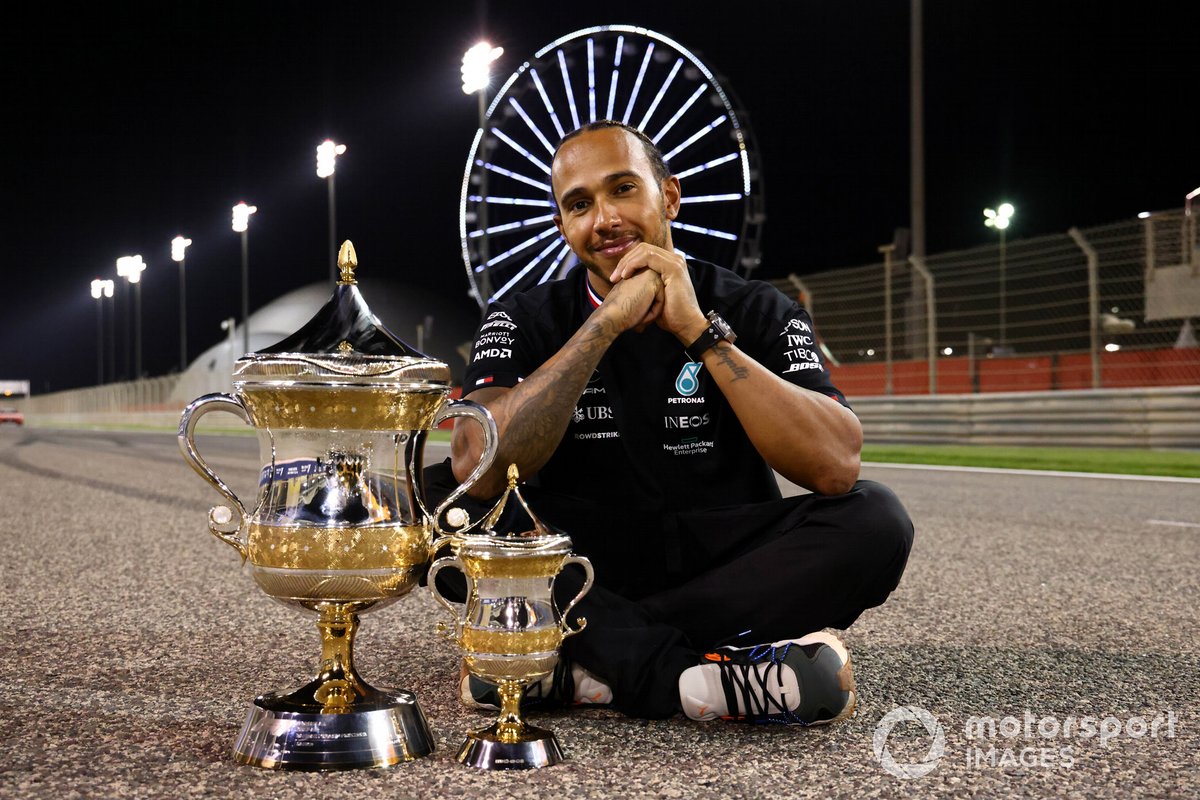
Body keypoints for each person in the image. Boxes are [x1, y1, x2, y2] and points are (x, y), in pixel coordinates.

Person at [427, 120, 913, 725]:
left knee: (876, 520)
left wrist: (698, 332)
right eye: (579, 205)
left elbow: (836, 467)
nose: (603, 218)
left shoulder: (757, 307)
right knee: (433, 502)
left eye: (623, 189)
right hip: (580, 560)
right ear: (562, 226)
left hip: (716, 558)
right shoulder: (524, 315)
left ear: (671, 197)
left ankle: (588, 658)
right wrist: (601, 328)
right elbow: (477, 468)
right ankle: (687, 677)